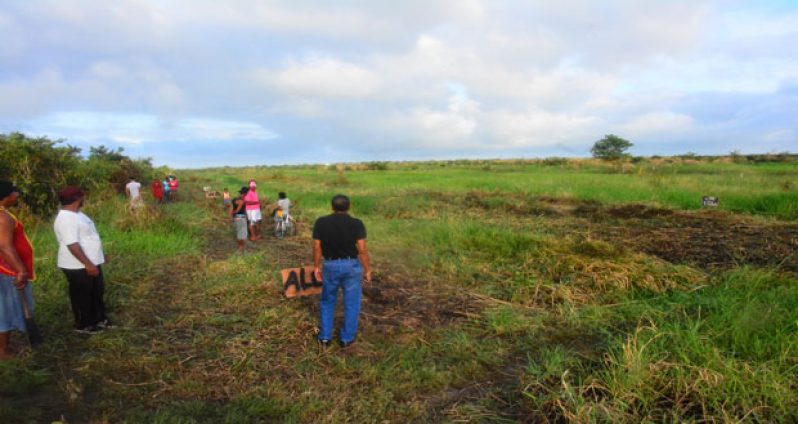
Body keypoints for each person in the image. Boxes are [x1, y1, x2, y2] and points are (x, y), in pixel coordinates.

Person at [313, 194, 371, 349]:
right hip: (352, 266)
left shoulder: (321, 222)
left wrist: (317, 267)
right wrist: (367, 269)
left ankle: (325, 337)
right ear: (349, 207)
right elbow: (362, 249)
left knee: (327, 301)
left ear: (332, 207)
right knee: (352, 303)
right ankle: (346, 339)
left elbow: (317, 247)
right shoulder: (357, 223)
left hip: (330, 265)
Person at [53, 187, 111, 334]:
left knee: (97, 291)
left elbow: (88, 236)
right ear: (77, 199)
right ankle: (83, 325)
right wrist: (88, 264)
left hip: (91, 261)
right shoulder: (66, 218)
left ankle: (99, 319)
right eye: (82, 197)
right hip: (77, 265)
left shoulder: (77, 214)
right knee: (82, 295)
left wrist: (99, 256)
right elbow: (72, 244)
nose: (84, 199)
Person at [0, 181, 35, 359]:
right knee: (5, 310)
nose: (17, 195)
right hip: (6, 271)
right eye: (15, 192)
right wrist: (21, 270)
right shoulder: (3, 218)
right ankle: (3, 351)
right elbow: (5, 247)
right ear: (6, 196)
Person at [231, 187, 249, 251]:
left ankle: (241, 247)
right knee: (241, 233)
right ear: (245, 194)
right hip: (241, 218)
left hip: (236, 218)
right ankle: (241, 247)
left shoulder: (234, 199)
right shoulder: (241, 201)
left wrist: (232, 215)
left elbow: (232, 209)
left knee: (239, 232)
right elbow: (237, 211)